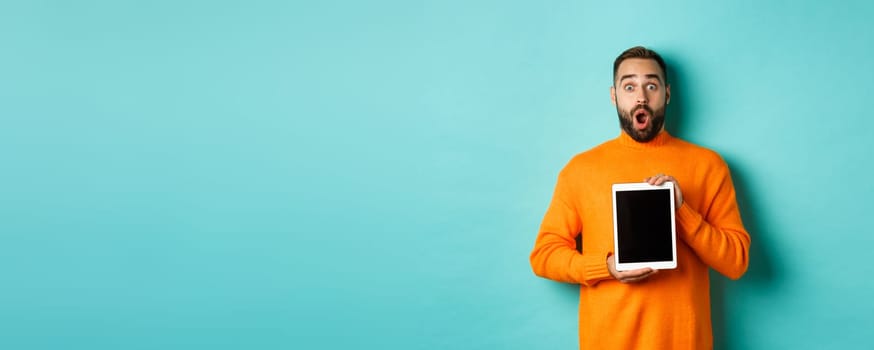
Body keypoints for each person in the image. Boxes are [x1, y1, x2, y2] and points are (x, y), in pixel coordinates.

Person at [529, 46, 750, 349]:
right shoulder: (580, 170)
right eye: (629, 86)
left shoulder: (708, 165)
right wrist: (606, 266)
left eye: (652, 85)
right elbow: (544, 256)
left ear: (667, 93)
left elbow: (736, 262)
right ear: (614, 95)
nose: (641, 96)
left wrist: (682, 211)